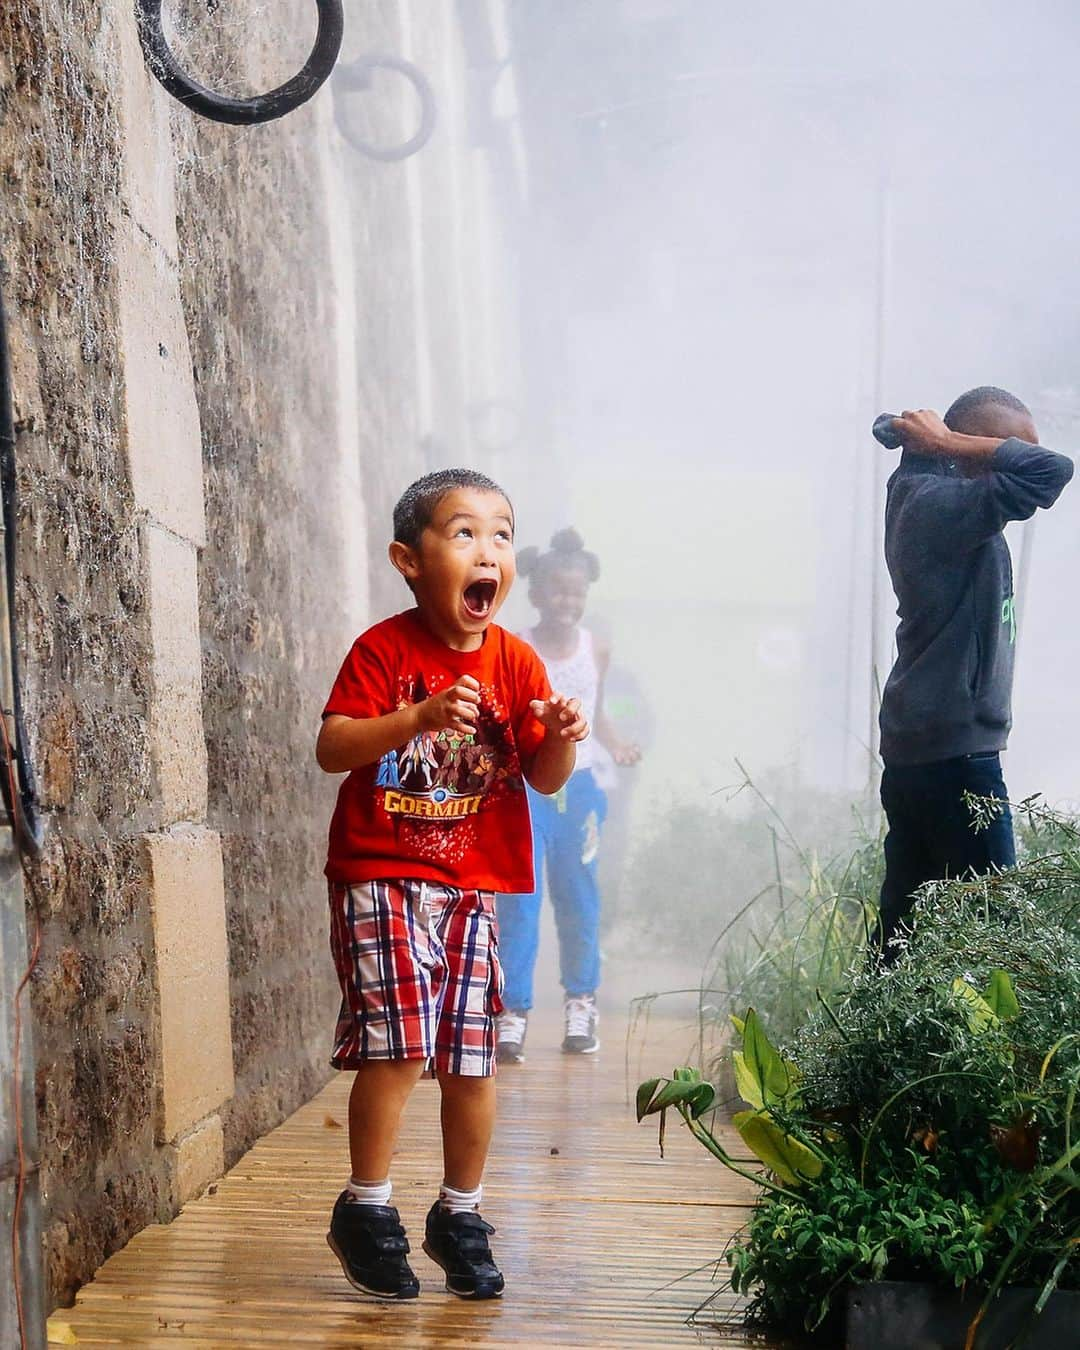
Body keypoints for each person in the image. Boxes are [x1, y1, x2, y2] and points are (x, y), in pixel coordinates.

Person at [316, 469, 589, 1301]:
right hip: (382, 870)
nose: (488, 551)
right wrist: (419, 717)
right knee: (398, 1044)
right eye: (463, 532)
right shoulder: (383, 650)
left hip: (474, 883)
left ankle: (459, 1214)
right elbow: (334, 748)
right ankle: (366, 1209)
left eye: (501, 535)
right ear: (409, 557)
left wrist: (564, 738)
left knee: (473, 1060)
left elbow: (544, 779)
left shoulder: (516, 660)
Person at [873, 388, 1073, 961]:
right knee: (997, 932)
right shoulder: (938, 508)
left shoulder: (938, 503)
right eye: (999, 444)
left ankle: (882, 1042)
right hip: (954, 757)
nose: (1004, 456)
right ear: (962, 449)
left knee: (905, 933)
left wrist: (951, 446)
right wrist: (946, 441)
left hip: (931, 747)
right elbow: (1051, 471)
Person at [495, 529, 641, 1062]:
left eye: (577, 594)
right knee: (518, 897)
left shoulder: (595, 649)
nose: (568, 603)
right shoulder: (514, 648)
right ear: (536, 594)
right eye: (558, 592)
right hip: (525, 788)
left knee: (578, 895)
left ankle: (582, 1002)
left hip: (581, 787)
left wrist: (618, 745)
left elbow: (594, 714)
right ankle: (512, 1012)